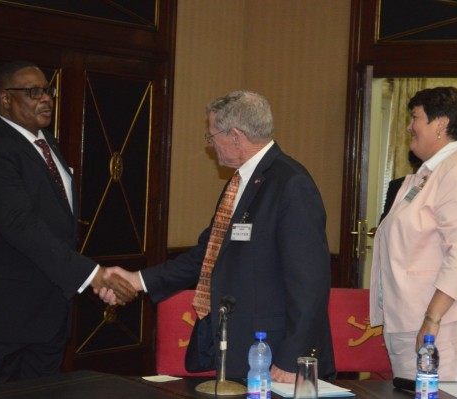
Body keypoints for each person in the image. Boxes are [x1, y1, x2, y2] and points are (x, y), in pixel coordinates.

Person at [114, 91, 335, 382]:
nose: (211, 144)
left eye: (211, 135)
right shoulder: (241, 182)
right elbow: (209, 254)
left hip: (276, 354)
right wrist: (137, 280)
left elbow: (311, 283)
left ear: (234, 135)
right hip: (242, 348)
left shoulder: (291, 184)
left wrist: (293, 358)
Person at [0, 61, 137, 388]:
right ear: (6, 99)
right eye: (33, 92)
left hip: (45, 317)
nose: (46, 98)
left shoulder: (47, 143)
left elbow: (55, 223)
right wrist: (92, 275)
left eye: (48, 90)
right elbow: (20, 224)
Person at [369, 86, 457, 381]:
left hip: (454, 325)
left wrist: (432, 318)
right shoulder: (429, 173)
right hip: (420, 322)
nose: (409, 126)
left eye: (415, 117)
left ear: (441, 124)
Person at [378, 150, 422, 223]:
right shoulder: (396, 184)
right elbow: (387, 215)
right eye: (418, 166)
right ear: (412, 164)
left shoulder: (435, 183)